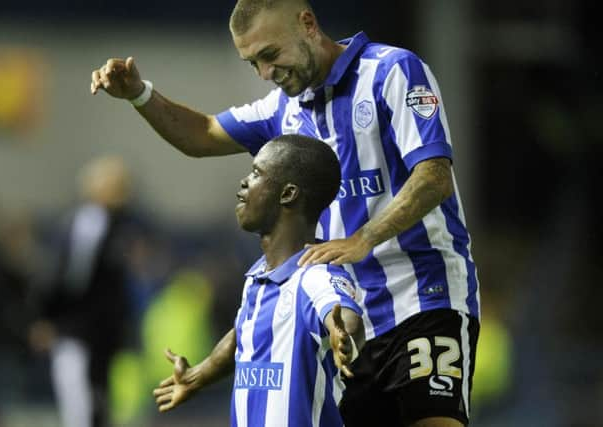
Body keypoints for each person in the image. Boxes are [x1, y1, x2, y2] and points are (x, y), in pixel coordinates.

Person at [91, 1, 480, 425]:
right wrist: (139, 94)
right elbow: (200, 135)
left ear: (307, 25)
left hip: (423, 299)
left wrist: (363, 238)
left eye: (270, 55)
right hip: (339, 318)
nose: (264, 73)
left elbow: (434, 176)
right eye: (253, 62)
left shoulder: (393, 72)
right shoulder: (282, 110)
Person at [152, 134, 365, 426]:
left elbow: (345, 318)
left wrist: (346, 337)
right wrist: (197, 376)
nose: (244, 183)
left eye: (256, 173)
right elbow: (244, 334)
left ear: (288, 194)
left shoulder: (315, 275)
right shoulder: (257, 277)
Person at [29, 156, 140, 427]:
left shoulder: (116, 224)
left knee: (93, 410)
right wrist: (47, 317)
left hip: (99, 337)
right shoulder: (91, 222)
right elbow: (69, 277)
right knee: (82, 412)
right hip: (78, 335)